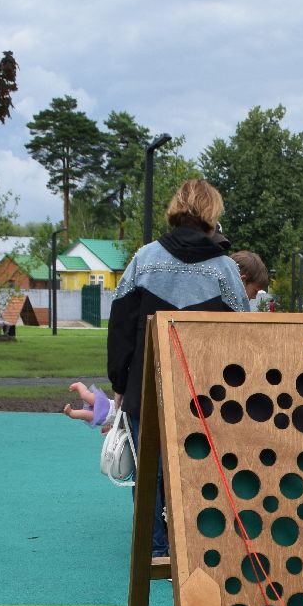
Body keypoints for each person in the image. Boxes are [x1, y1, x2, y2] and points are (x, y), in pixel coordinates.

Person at [107, 178, 248, 558]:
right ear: (211, 214)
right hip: (208, 391)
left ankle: (155, 549)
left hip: (145, 385)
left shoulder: (143, 260)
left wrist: (120, 384)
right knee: (200, 464)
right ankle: (201, 545)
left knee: (147, 468)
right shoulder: (225, 270)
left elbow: (120, 328)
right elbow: (245, 336)